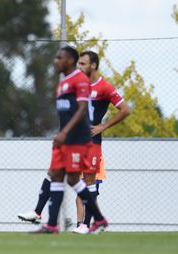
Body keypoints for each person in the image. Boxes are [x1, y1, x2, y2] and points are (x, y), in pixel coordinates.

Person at [31, 46, 107, 234]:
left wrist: (64, 133)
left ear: (70, 61)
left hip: (77, 139)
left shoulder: (80, 79)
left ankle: (96, 219)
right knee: (58, 175)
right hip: (66, 139)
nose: (56, 61)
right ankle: (52, 224)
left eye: (60, 58)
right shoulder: (63, 82)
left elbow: (82, 109)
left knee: (71, 178)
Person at [72, 50, 130, 234]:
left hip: (93, 143)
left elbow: (125, 109)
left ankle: (86, 225)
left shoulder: (104, 87)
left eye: (82, 64)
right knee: (78, 185)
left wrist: (102, 126)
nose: (78, 67)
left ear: (93, 65)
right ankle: (85, 224)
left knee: (90, 184)